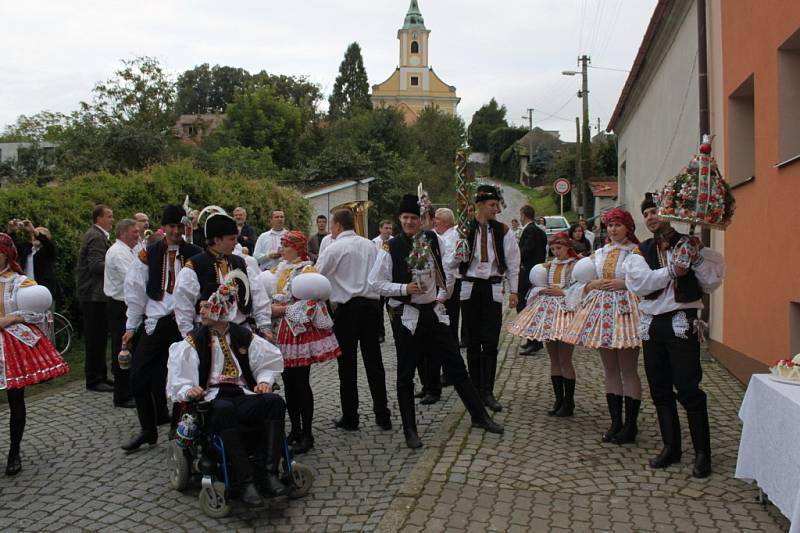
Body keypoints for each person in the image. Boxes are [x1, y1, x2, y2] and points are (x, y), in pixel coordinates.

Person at [369, 194, 503, 449]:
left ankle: (479, 416)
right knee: (406, 374)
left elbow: (448, 269)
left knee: (456, 365)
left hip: (433, 312)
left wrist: (443, 294)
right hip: (406, 317)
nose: (409, 222)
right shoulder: (390, 248)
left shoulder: (433, 240)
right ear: (400, 219)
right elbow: (375, 283)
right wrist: (403, 288)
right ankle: (410, 430)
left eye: (414, 218)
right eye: (405, 218)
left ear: (423, 220)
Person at [625, 194, 725, 479]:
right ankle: (672, 447)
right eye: (646, 213)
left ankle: (703, 453)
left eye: (655, 211)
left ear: (670, 213)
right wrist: (672, 270)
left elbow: (712, 282)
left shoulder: (692, 244)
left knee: (689, 389)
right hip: (652, 325)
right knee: (659, 389)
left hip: (682, 322)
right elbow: (640, 284)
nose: (651, 217)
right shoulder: (640, 251)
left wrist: (694, 260)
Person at [166, 285, 287, 506]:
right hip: (213, 397)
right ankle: (245, 480)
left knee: (274, 402)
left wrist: (263, 382)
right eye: (200, 307)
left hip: (242, 393)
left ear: (221, 311)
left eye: (205, 307)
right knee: (223, 409)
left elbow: (268, 361)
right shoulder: (194, 341)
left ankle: (269, 473)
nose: (201, 312)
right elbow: (179, 377)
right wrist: (190, 389)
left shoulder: (243, 335)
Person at [121, 205, 203, 452]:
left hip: (185, 323)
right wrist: (131, 326)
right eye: (172, 227)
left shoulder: (195, 254)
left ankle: (180, 425)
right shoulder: (149, 253)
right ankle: (148, 430)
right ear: (164, 227)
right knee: (138, 376)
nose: (177, 231)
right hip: (156, 321)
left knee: (185, 375)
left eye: (180, 227)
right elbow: (135, 290)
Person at [562, 208, 643, 445]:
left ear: (628, 227)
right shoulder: (599, 253)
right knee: (609, 368)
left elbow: (645, 280)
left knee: (628, 368)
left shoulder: (636, 253)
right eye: (610, 225)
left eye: (618, 224)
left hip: (627, 312)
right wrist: (592, 284)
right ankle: (615, 421)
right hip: (602, 312)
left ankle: (631, 425)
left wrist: (625, 283)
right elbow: (580, 281)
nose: (613, 229)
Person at [0, 233, 69, 476]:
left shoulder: (20, 282)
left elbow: (38, 312)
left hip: (10, 346)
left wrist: (12, 318)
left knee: (15, 399)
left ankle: (14, 452)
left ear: (7, 254)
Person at [316, 210, 391, 431]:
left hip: (348, 309)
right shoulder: (370, 245)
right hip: (372, 307)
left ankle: (350, 417)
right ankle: (382, 414)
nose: (331, 229)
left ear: (338, 225)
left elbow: (318, 275)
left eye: (332, 225)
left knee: (346, 365)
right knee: (374, 362)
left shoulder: (334, 247)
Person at [270, 231, 341, 454]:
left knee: (301, 383)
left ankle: (307, 433)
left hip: (299, 333)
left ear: (297, 248)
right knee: (289, 383)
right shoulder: (280, 269)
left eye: (286, 245)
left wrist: (281, 310)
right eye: (282, 245)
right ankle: (296, 429)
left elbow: (312, 302)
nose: (283, 249)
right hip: (282, 332)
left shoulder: (307, 270)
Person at [458, 184, 521, 413]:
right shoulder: (464, 229)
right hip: (470, 286)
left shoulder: (503, 231)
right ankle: (475, 390)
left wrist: (514, 291)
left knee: (491, 341)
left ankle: (488, 391)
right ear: (481, 205)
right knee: (473, 341)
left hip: (493, 287)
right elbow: (451, 262)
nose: (497, 209)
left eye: (497, 205)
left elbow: (513, 263)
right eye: (493, 205)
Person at [508, 232, 579, 416]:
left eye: (560, 248)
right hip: (549, 313)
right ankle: (559, 399)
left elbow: (578, 289)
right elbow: (538, 284)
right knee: (554, 359)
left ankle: (569, 402)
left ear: (567, 247)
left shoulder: (574, 265)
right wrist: (544, 290)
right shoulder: (549, 266)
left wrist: (561, 292)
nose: (557, 252)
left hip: (565, 313)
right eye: (554, 249)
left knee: (565, 359)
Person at [174, 213, 272, 338]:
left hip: (242, 333)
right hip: (210, 337)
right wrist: (189, 335)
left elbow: (258, 295)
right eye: (232, 239)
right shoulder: (194, 267)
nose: (236, 243)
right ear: (217, 240)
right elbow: (183, 305)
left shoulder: (241, 263)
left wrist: (264, 325)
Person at [76, 204, 114, 392]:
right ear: (99, 218)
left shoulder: (99, 236)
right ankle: (93, 378)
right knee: (95, 337)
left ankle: (101, 374)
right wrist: (116, 262)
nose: (111, 220)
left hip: (97, 294)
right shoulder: (96, 237)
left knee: (99, 337)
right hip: (93, 294)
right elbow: (96, 265)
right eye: (109, 216)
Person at [104, 219, 139, 408]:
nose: (138, 235)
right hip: (119, 306)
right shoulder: (118, 253)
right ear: (123, 233)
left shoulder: (129, 250)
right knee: (122, 348)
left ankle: (129, 388)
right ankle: (122, 394)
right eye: (134, 232)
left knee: (128, 348)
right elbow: (132, 278)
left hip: (126, 304)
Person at [516, 205, 548, 356]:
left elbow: (526, 251)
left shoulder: (529, 230)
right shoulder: (540, 231)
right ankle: (533, 340)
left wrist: (515, 257)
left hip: (528, 273)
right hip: (537, 272)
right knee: (533, 306)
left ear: (523, 215)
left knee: (525, 305)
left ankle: (533, 341)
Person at [9, 219, 57, 302]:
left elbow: (47, 243)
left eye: (38, 235)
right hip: (25, 287)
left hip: (42, 289)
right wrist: (11, 231)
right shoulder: (27, 248)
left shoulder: (49, 250)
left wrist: (33, 230)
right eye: (33, 235)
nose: (34, 236)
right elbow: (10, 246)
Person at [371, 219, 394, 343]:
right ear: (380, 229)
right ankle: (380, 333)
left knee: (391, 306)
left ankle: (396, 330)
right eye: (386, 228)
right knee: (378, 309)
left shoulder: (394, 241)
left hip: (390, 279)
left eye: (390, 228)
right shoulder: (374, 242)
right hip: (379, 279)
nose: (388, 230)